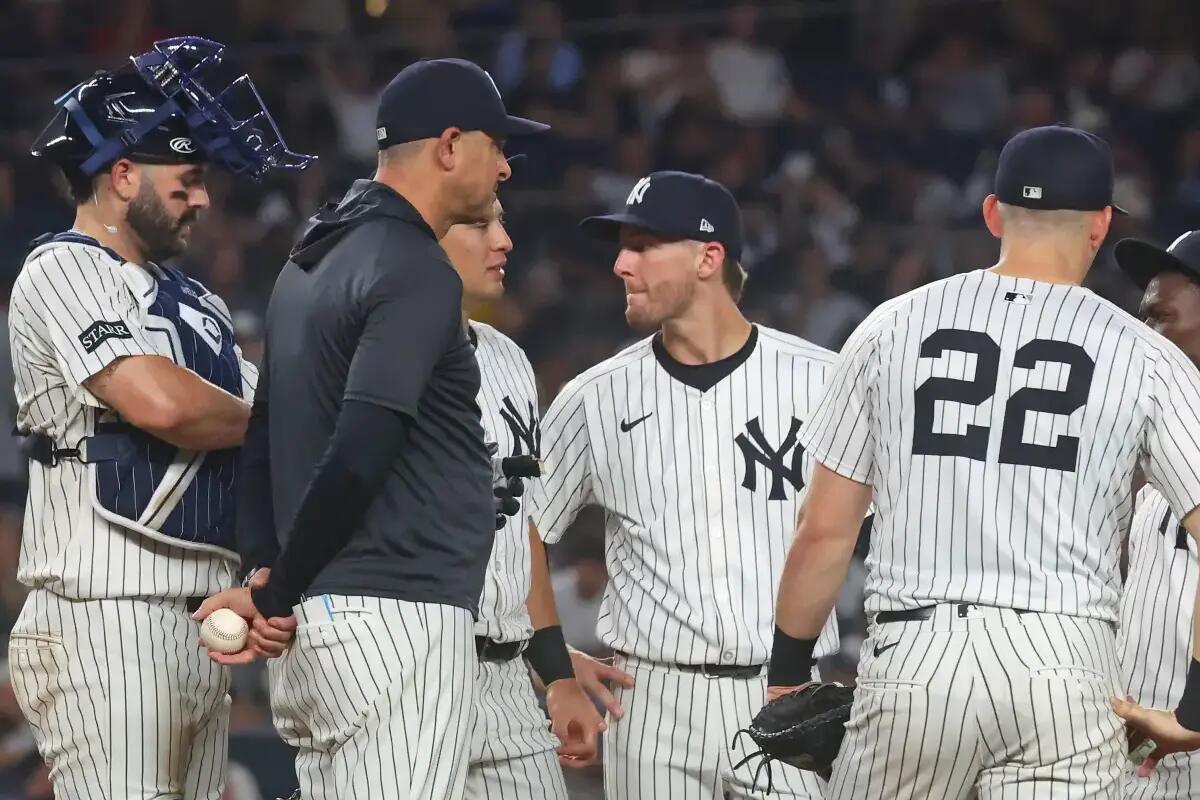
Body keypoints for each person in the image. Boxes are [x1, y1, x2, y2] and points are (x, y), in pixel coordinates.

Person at [765, 125, 1200, 798]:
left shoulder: (890, 325)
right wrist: (1195, 707)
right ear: (1101, 224)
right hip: (1066, 663)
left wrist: (789, 671)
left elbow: (823, 531)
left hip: (915, 655)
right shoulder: (1143, 355)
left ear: (993, 212)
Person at [194, 58, 548, 799]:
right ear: (449, 145)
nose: (506, 166)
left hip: (320, 629)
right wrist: (272, 592)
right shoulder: (414, 264)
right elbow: (361, 452)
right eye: (495, 144)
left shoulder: (308, 261)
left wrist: (266, 570)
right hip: (396, 624)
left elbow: (261, 438)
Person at [5, 36, 312, 800]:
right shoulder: (63, 267)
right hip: (105, 616)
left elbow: (267, 419)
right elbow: (164, 405)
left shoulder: (196, 299)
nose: (202, 199)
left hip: (202, 618)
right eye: (187, 181)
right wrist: (271, 418)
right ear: (121, 175)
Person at [531, 170, 838, 799]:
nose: (620, 263)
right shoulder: (595, 396)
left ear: (709, 257)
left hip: (788, 690)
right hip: (652, 701)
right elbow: (520, 531)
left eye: (643, 246)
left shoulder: (823, 380)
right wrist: (554, 664)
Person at [438, 197, 605, 797]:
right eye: (480, 224)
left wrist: (556, 672)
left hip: (507, 672)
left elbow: (522, 522)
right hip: (407, 661)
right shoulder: (362, 347)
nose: (505, 240)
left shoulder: (509, 358)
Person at [1115, 230, 1200, 796]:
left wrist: (1194, 716)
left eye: (1160, 318)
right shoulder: (1164, 453)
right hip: (1146, 756)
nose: (1144, 338)